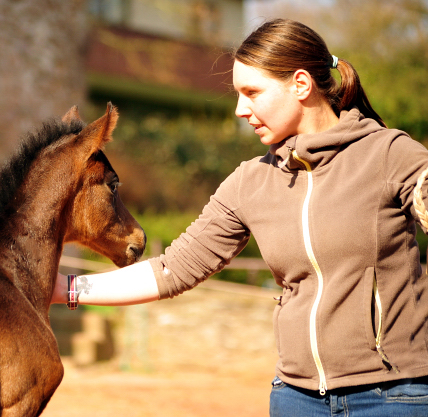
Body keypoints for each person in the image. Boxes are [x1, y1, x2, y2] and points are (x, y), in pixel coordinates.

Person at [51, 18, 428, 416]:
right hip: (296, 399)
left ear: (301, 85)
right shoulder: (250, 182)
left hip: (394, 396)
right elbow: (173, 269)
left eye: (251, 92)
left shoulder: (389, 154)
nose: (239, 109)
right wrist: (65, 289)